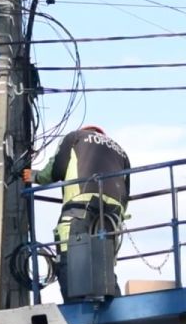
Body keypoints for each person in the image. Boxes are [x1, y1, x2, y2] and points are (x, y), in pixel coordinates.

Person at [23, 125, 131, 302]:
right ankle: (113, 304)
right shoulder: (121, 152)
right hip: (112, 215)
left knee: (70, 257)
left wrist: (34, 176)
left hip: (80, 207)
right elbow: (127, 192)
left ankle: (76, 305)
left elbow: (56, 170)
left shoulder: (75, 137)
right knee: (104, 265)